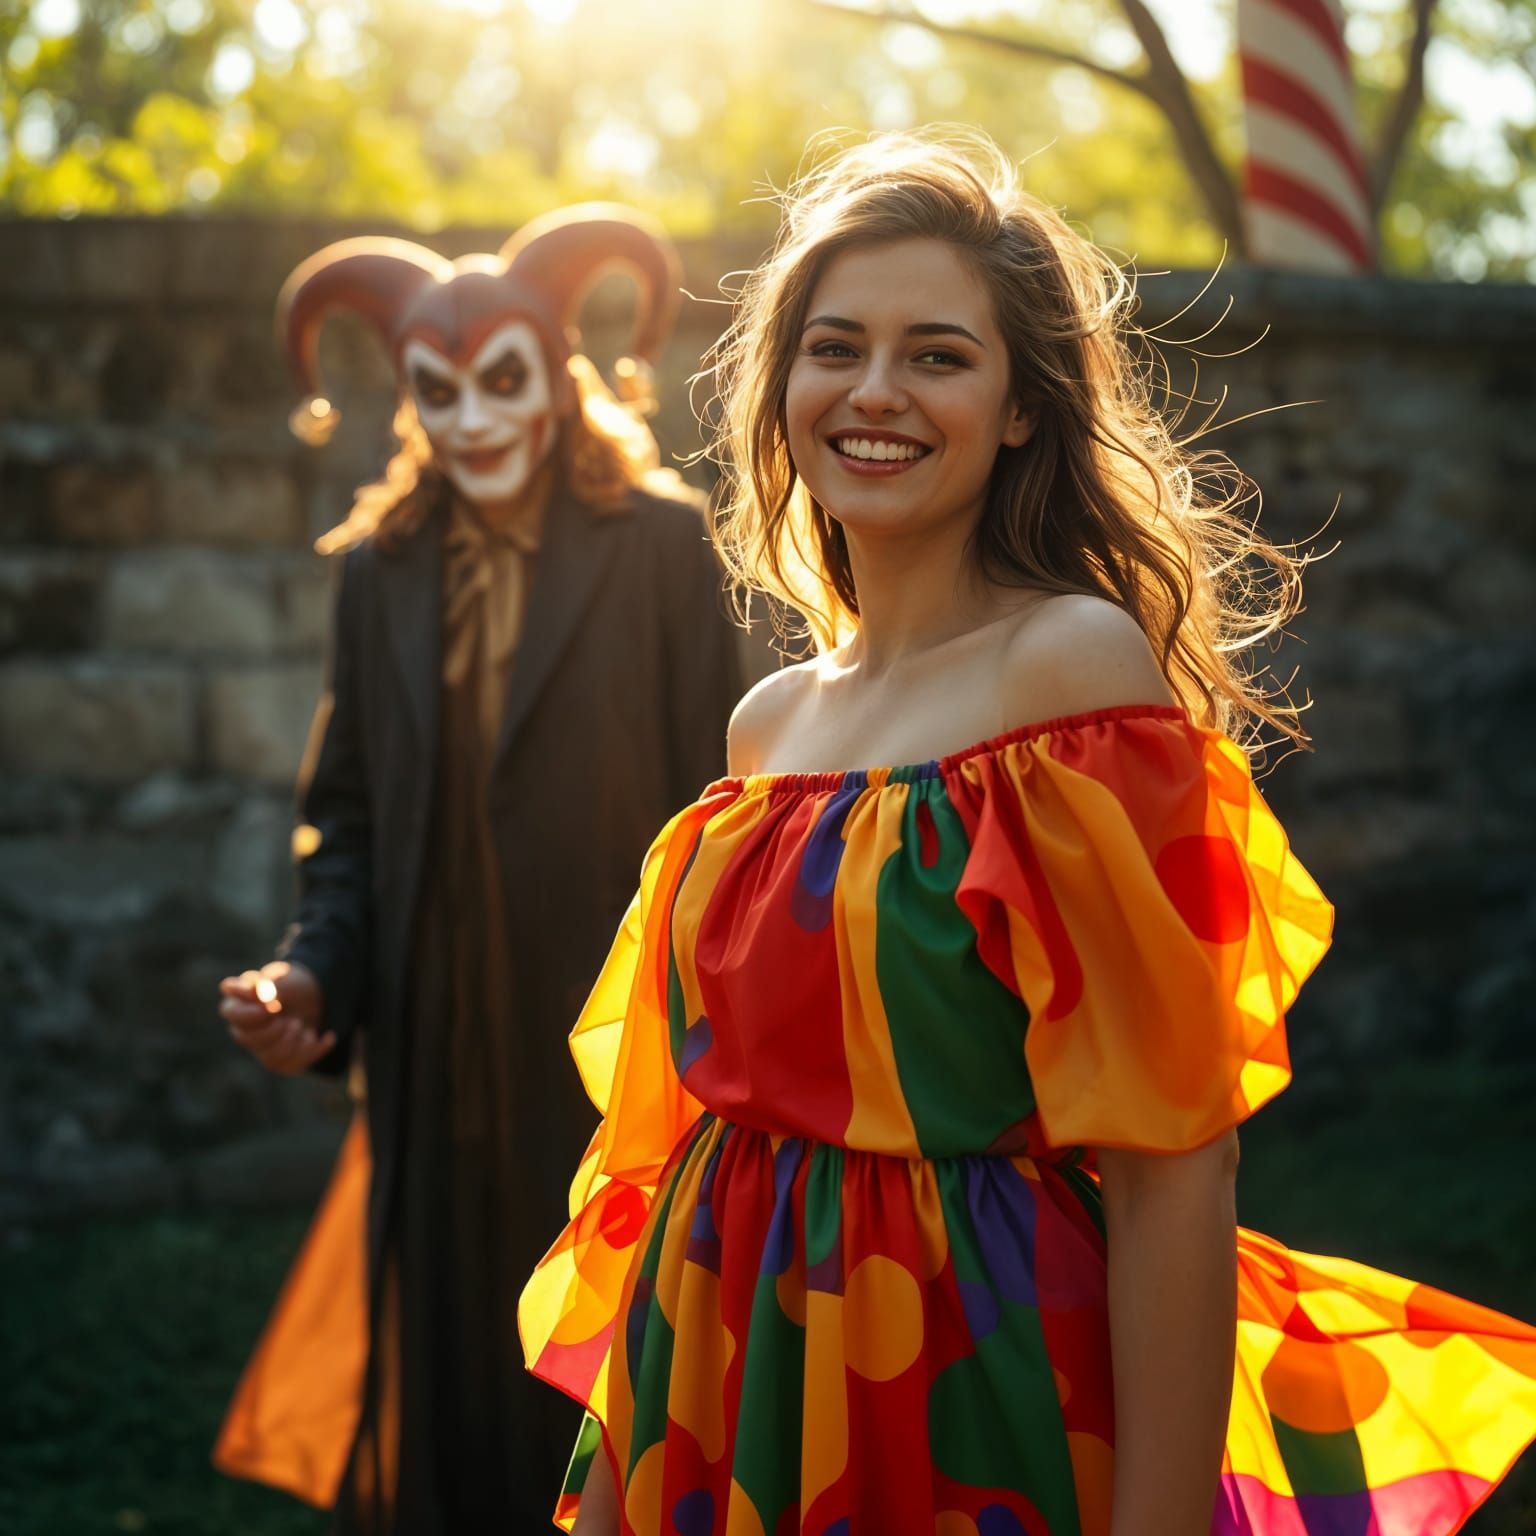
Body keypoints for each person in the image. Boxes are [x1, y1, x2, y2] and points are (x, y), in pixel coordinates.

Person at [519, 132, 1536, 1535]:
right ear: (784, 384)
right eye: (836, 348)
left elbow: (1179, 1161)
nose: (875, 392)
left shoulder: (1068, 673)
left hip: (969, 1387)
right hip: (723, 1377)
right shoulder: (767, 728)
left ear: (1017, 409)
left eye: (938, 354)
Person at [213, 204, 742, 1533]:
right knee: (452, 1364)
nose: (471, 422)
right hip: (435, 1042)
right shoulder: (378, 573)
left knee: (605, 1375)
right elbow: (348, 821)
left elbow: (721, 809)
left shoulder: (665, 551)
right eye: (434, 394)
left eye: (501, 382)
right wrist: (311, 974)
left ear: (559, 371)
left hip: (604, 1049)